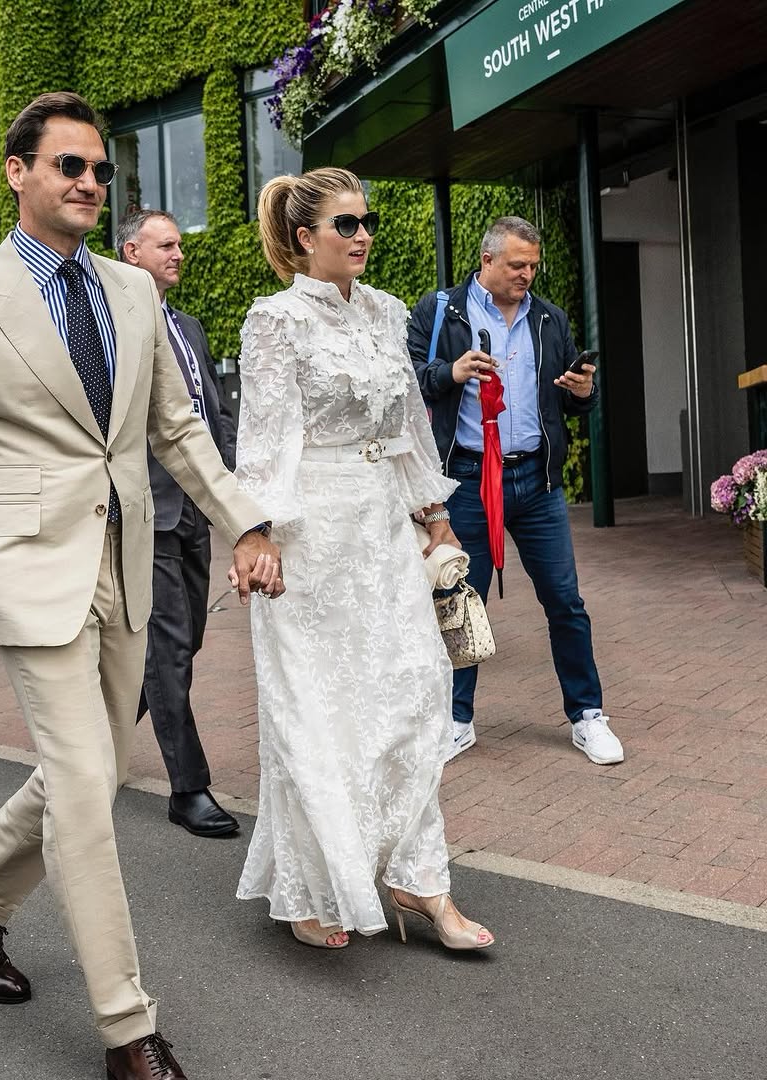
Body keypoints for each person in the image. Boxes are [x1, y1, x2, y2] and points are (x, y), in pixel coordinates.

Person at [0, 91, 283, 1080]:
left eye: (101, 170)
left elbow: (178, 428)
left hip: (129, 564)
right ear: (17, 172)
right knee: (86, 799)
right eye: (70, 166)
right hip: (29, 569)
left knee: (92, 773)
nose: (90, 184)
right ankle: (127, 1031)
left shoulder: (132, 292)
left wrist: (247, 521)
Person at [234, 167, 494, 953]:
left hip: (384, 527)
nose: (363, 235)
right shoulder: (274, 320)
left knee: (417, 694)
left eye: (367, 220)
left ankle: (420, 877)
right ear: (305, 237)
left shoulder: (385, 312)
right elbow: (265, 437)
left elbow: (412, 427)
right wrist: (260, 533)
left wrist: (437, 521)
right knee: (320, 710)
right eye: (345, 224)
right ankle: (312, 884)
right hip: (312, 538)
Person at [408, 215, 624, 767]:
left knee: (565, 602)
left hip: (536, 480)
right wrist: (450, 372)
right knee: (459, 599)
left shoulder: (549, 319)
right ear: (486, 260)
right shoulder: (440, 311)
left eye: (533, 265)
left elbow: (571, 404)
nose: (527, 274)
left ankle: (587, 717)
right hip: (467, 480)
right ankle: (457, 720)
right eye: (516, 265)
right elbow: (406, 383)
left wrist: (583, 391)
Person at [116, 208, 241, 838]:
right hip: (146, 509)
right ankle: (187, 788)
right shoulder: (112, 325)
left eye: (181, 245)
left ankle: (100, 734)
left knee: (185, 641)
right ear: (131, 253)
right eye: (166, 245)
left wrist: (237, 499)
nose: (179, 253)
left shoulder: (188, 326)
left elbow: (212, 418)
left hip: (196, 506)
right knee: (167, 651)